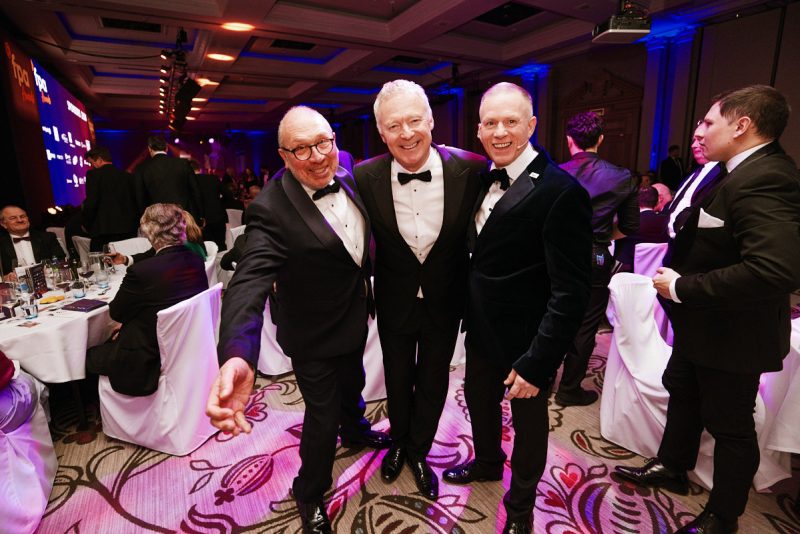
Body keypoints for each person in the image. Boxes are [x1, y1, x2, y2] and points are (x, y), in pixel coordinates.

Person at [615, 85, 800, 534]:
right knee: (684, 393)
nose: (700, 130)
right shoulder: (732, 170)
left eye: (708, 122)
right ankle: (673, 466)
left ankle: (723, 515)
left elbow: (774, 270)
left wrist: (683, 286)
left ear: (742, 126)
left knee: (732, 426)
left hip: (735, 333)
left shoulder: (767, 176)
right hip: (703, 327)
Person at [206, 106, 390, 534]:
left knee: (354, 383)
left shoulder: (348, 175)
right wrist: (237, 353)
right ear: (284, 156)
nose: (317, 156)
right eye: (301, 149)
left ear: (335, 141)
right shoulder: (270, 210)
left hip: (352, 315)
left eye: (323, 143)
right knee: (321, 418)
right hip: (310, 333)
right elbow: (248, 282)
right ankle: (309, 492)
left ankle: (358, 428)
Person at [442, 82, 592, 534]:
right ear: (479, 129)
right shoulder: (478, 179)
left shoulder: (562, 192)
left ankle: (522, 506)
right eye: (491, 123)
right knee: (478, 402)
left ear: (531, 125)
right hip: (483, 329)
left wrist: (538, 362)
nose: (500, 132)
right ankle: (488, 462)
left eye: (511, 122)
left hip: (531, 339)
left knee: (528, 425)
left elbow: (571, 291)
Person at [354, 80, 484, 500]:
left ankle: (418, 449)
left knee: (433, 378)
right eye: (395, 125)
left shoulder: (472, 168)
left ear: (430, 120)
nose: (407, 133)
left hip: (447, 298)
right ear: (382, 132)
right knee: (396, 375)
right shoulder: (364, 176)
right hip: (394, 297)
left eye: (414, 120)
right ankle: (397, 442)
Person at [556, 111, 638, 406]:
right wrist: (603, 237)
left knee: (549, 314)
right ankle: (569, 388)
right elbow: (630, 227)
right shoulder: (621, 176)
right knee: (586, 323)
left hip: (556, 255)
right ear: (600, 140)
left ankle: (539, 377)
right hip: (596, 256)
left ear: (569, 141)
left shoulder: (555, 172)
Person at [85, 204, 208, 396]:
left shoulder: (142, 272)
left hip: (148, 356)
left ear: (149, 232)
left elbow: (117, 313)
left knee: (87, 355)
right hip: (188, 341)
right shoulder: (195, 259)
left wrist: (125, 327)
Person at [83, 147, 139, 252]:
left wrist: (87, 224)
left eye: (92, 163)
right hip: (128, 230)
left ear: (99, 160)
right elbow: (135, 201)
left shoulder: (93, 175)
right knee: (127, 262)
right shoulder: (128, 176)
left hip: (104, 232)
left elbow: (91, 203)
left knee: (102, 264)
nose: (92, 167)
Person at [134, 136, 203, 221]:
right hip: (181, 217)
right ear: (166, 148)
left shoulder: (142, 168)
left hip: (156, 219)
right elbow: (195, 191)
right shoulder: (183, 164)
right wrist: (200, 215)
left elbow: (139, 197)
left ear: (149, 149)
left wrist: (144, 218)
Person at [0, 205, 65, 280]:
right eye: (13, 218)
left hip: (48, 281)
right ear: (3, 224)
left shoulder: (47, 237)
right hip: (17, 288)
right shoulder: (1, 243)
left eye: (23, 216)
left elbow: (61, 260)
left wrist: (51, 269)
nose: (20, 220)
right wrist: (4, 278)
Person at [613, 186, 669, 272]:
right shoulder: (666, 221)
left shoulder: (628, 223)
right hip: (658, 273)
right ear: (657, 201)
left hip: (626, 274)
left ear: (634, 202)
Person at [190, 160, 227, 251]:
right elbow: (227, 194)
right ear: (199, 168)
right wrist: (218, 203)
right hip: (218, 216)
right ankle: (224, 265)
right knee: (221, 244)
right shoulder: (213, 178)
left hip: (202, 220)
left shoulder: (190, 183)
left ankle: (211, 265)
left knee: (207, 248)